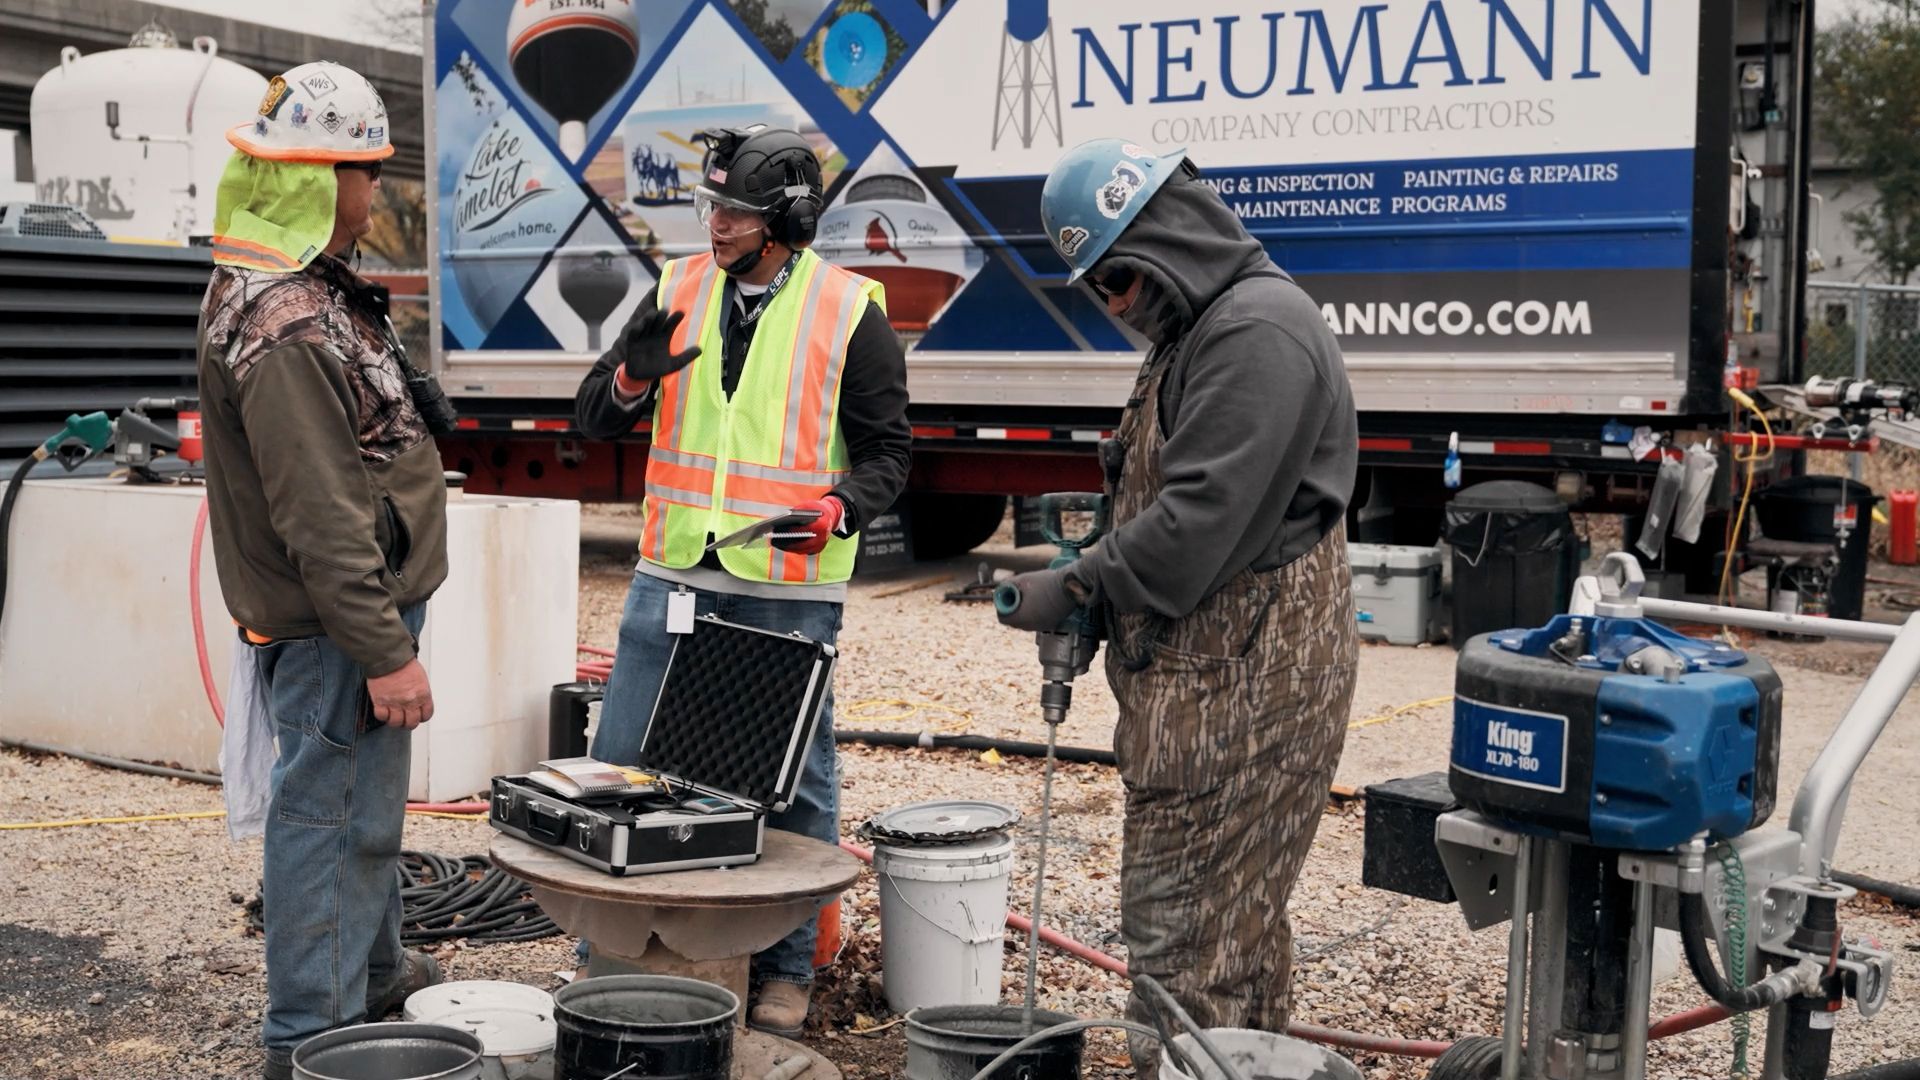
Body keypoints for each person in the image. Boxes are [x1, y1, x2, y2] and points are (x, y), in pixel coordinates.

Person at [997, 139, 1360, 1078]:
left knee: (1187, 953)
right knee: (1229, 941)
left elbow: (1199, 522)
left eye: (1120, 277)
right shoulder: (1202, 328)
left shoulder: (1258, 333)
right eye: (1097, 289)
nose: (1115, 304)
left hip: (1241, 694)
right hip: (1211, 684)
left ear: (1171, 235)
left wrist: (1079, 586)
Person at [572, 124, 911, 1036]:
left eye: (733, 211)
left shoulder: (850, 311)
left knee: (792, 779)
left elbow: (888, 456)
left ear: (786, 221)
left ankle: (788, 972)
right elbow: (594, 421)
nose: (713, 225)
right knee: (626, 757)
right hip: (675, 565)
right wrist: (632, 384)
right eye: (710, 206)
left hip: (784, 579)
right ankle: (610, 950)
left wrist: (840, 507)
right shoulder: (677, 287)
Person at [196, 61, 449, 1080]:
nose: (373, 193)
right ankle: (308, 1037)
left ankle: (376, 973)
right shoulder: (288, 325)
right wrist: (386, 652)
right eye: (362, 173)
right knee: (325, 817)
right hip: (341, 626)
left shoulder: (294, 284)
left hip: (351, 616)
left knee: (360, 809)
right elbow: (321, 516)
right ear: (313, 177)